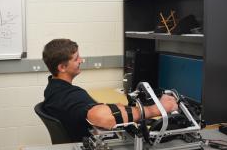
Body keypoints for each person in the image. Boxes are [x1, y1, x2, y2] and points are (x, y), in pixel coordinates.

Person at [41, 38, 178, 142]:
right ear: (62, 67)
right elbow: (101, 116)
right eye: (76, 58)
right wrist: (154, 110)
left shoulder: (53, 88)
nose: (81, 60)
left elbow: (92, 110)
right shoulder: (69, 95)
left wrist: (116, 108)